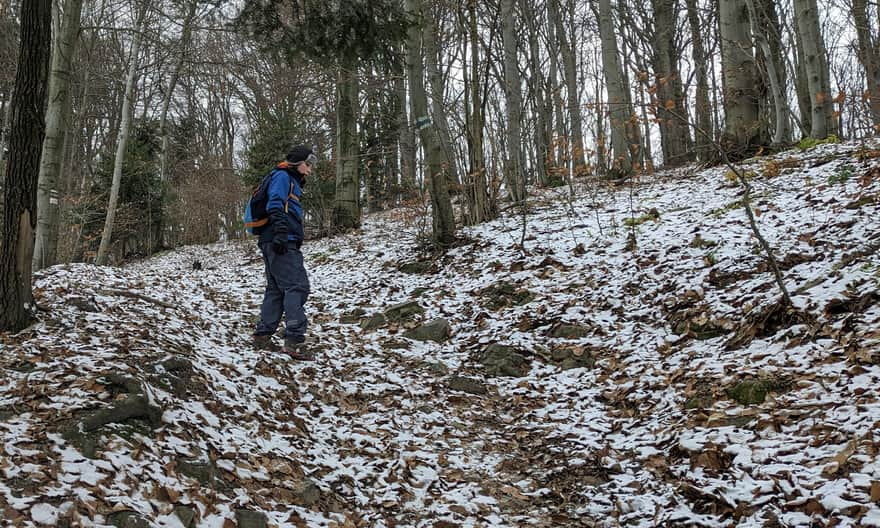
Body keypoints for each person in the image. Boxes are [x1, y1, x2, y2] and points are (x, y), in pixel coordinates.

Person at [252, 145, 317, 360]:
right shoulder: (282, 177)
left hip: (273, 240)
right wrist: (281, 233)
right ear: (298, 163)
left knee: (276, 289)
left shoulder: (286, 178)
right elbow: (275, 204)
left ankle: (263, 336)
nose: (310, 169)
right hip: (281, 240)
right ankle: (294, 341)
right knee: (297, 286)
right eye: (308, 164)